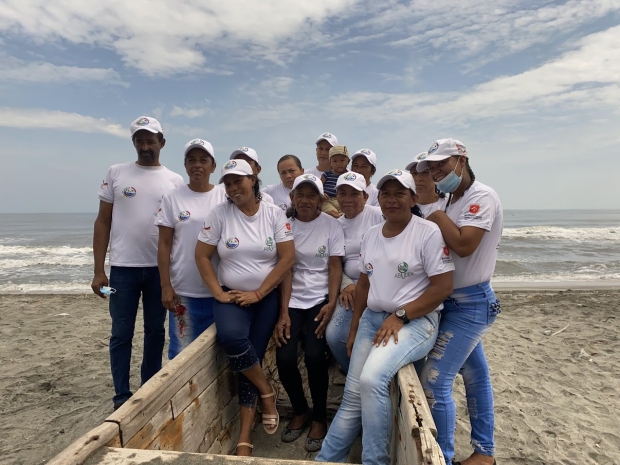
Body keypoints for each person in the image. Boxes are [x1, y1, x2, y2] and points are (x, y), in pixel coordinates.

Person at [316, 169, 454, 465]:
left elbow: (443, 288)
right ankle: (326, 459)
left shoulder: (427, 232)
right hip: (372, 319)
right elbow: (364, 284)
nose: (392, 199)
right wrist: (353, 331)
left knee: (371, 380)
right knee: (352, 395)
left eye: (399, 193)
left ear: (413, 198)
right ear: (379, 198)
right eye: (386, 194)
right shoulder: (371, 234)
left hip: (416, 322)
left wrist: (401, 316)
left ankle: (375, 461)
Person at [195, 158, 295, 456]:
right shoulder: (219, 214)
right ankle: (267, 392)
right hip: (232, 297)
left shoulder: (273, 213)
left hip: (265, 299)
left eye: (238, 180)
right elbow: (202, 256)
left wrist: (260, 293)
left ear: (253, 180)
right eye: (227, 183)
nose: (233, 187)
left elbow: (287, 258)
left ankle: (243, 438)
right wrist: (218, 293)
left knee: (249, 359)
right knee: (233, 340)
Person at [417, 138, 503, 465]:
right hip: (451, 303)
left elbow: (465, 245)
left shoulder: (481, 196)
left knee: (434, 382)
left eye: (443, 163)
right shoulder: (452, 200)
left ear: (461, 160)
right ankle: (485, 452)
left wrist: (435, 215)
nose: (437, 170)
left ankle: (444, 457)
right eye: (432, 166)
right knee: (475, 377)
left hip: (471, 304)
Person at [91, 116, 184, 410]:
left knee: (155, 331)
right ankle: (121, 396)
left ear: (162, 143)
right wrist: (98, 271)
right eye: (140, 140)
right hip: (122, 271)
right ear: (134, 143)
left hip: (160, 271)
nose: (145, 146)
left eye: (150, 140)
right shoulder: (116, 173)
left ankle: (148, 389)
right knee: (121, 333)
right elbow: (102, 221)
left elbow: (180, 229)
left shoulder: (174, 180)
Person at [274, 173, 344, 452]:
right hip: (291, 298)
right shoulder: (285, 225)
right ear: (291, 198)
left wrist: (332, 301)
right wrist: (283, 312)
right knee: (285, 356)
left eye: (311, 195)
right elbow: (285, 269)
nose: (305, 200)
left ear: (320, 199)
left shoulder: (331, 225)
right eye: (299, 194)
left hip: (319, 298)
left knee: (315, 356)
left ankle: (319, 417)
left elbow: (335, 266)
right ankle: (300, 411)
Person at [155, 138, 226, 359]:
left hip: (220, 290)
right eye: (191, 160)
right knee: (181, 355)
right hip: (184, 292)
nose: (197, 165)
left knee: (219, 353)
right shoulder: (172, 197)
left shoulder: (225, 195)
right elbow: (165, 244)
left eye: (203, 160)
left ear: (213, 166)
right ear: (185, 165)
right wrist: (166, 285)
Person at [324, 172, 383, 373]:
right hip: (350, 286)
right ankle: (353, 374)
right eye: (342, 193)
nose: (347, 199)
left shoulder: (378, 215)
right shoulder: (335, 224)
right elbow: (334, 262)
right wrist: (346, 284)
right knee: (334, 336)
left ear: (365, 197)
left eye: (354, 194)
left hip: (379, 285)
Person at [406, 152, 447, 217]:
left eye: (425, 173)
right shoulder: (402, 206)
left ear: (435, 174)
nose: (418, 179)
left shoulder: (447, 205)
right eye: (414, 173)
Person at [320, 145, 349, 216]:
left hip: (343, 201)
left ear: (348, 161)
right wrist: (321, 193)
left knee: (345, 214)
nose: (339, 164)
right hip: (328, 200)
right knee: (332, 213)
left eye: (342, 160)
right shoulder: (327, 173)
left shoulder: (349, 175)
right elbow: (319, 186)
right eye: (335, 161)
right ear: (330, 162)